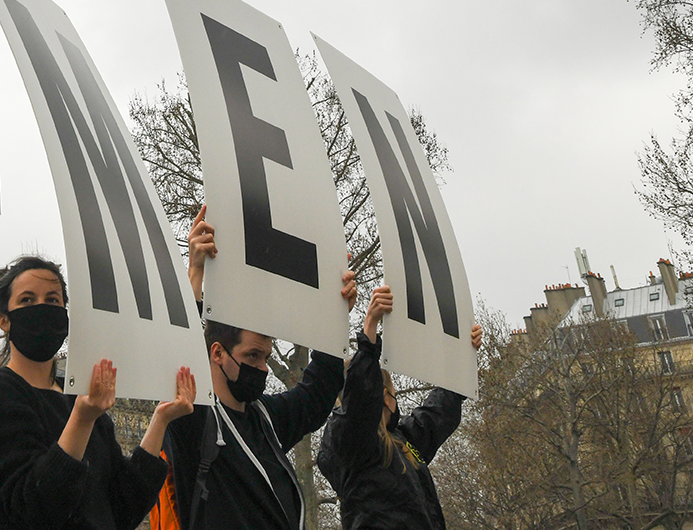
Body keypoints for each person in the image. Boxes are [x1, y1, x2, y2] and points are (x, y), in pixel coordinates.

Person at [0, 254, 198, 530]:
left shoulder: (77, 398)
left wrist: (160, 420)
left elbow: (123, 507)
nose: (42, 308)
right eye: (27, 300)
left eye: (53, 300)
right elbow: (31, 512)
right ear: (4, 320)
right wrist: (82, 420)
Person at [162, 204, 359, 529]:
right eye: (253, 356)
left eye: (266, 357)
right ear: (217, 354)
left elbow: (317, 393)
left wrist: (333, 317)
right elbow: (175, 354)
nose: (263, 369)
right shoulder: (192, 421)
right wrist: (195, 272)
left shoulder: (265, 418)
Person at [316, 285, 483, 530]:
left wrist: (463, 356)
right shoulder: (348, 444)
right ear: (384, 396)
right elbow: (360, 404)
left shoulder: (403, 439)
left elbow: (438, 410)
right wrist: (369, 331)